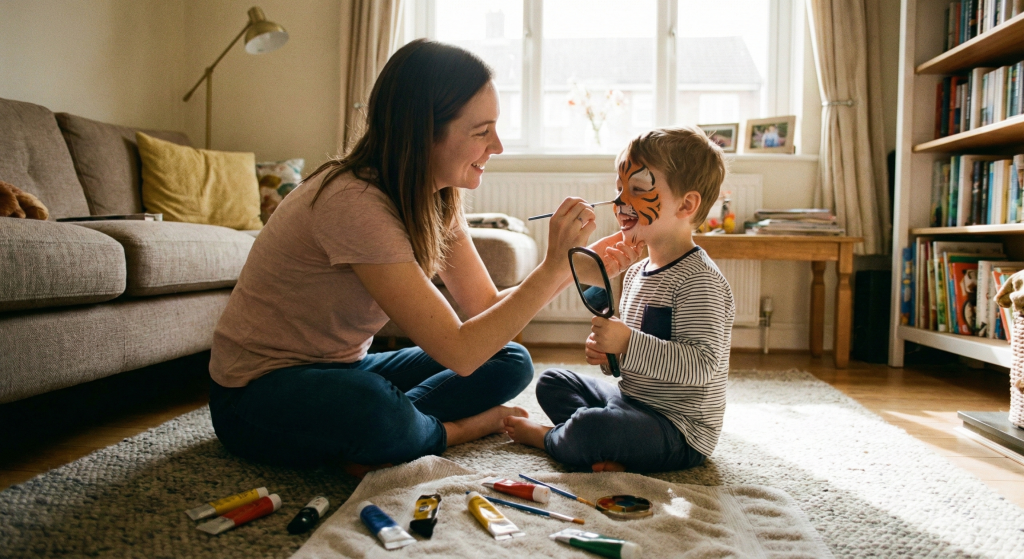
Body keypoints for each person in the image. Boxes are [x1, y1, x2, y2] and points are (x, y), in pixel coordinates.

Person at [207, 39, 643, 472]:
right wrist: (551, 268)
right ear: (422, 133)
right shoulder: (353, 200)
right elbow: (460, 351)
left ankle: (387, 434)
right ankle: (445, 431)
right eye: (481, 131)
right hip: (255, 393)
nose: (498, 146)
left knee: (510, 359)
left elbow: (485, 311)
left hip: (344, 371)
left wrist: (580, 266)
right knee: (376, 407)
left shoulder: (434, 196)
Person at [504, 127, 736, 473]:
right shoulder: (639, 271)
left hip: (679, 429)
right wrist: (611, 356)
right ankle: (612, 450)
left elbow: (702, 366)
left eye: (638, 189)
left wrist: (627, 342)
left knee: (592, 427)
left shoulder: (699, 280)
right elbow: (629, 364)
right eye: (619, 189)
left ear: (686, 204)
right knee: (554, 382)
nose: (619, 202)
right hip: (635, 402)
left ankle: (551, 438)